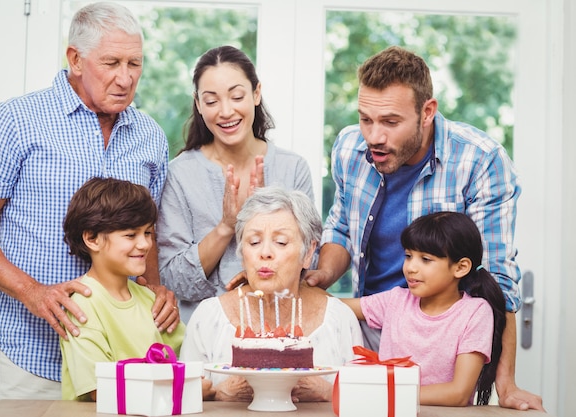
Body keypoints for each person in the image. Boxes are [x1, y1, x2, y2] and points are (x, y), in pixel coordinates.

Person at [0, 2, 179, 400]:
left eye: (134, 64)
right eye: (111, 62)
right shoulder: (15, 122)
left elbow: (147, 234)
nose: (125, 78)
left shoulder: (150, 136)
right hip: (32, 356)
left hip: (120, 363)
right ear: (75, 58)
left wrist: (155, 291)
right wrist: (33, 292)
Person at [303, 45, 544, 410]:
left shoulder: (479, 160)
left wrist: (506, 383)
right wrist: (322, 274)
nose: (373, 136)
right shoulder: (348, 148)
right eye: (365, 119)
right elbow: (341, 230)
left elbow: (497, 279)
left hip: (436, 346)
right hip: (366, 328)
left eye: (390, 122)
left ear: (427, 112)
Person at [158, 45, 314, 323]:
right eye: (211, 101)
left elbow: (307, 261)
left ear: (256, 94)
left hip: (279, 330)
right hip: (202, 335)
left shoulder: (293, 168)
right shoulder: (180, 174)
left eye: (237, 96)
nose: (226, 111)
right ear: (198, 104)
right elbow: (172, 279)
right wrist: (227, 226)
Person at [180, 187, 362, 402]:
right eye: (254, 242)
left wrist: (331, 393)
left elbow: (363, 399)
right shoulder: (208, 318)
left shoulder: (339, 320)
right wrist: (218, 394)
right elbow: (183, 398)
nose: (264, 253)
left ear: (309, 252)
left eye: (281, 242)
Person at [343, 211, 506, 406]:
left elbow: (458, 393)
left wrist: (382, 394)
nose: (411, 267)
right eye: (408, 256)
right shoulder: (396, 300)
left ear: (460, 267)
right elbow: (335, 306)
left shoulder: (475, 312)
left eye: (425, 259)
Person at [59, 177, 186, 401]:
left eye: (147, 233)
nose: (145, 244)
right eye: (130, 235)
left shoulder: (150, 299)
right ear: (91, 238)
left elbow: (188, 361)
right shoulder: (82, 305)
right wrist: (190, 390)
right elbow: (101, 390)